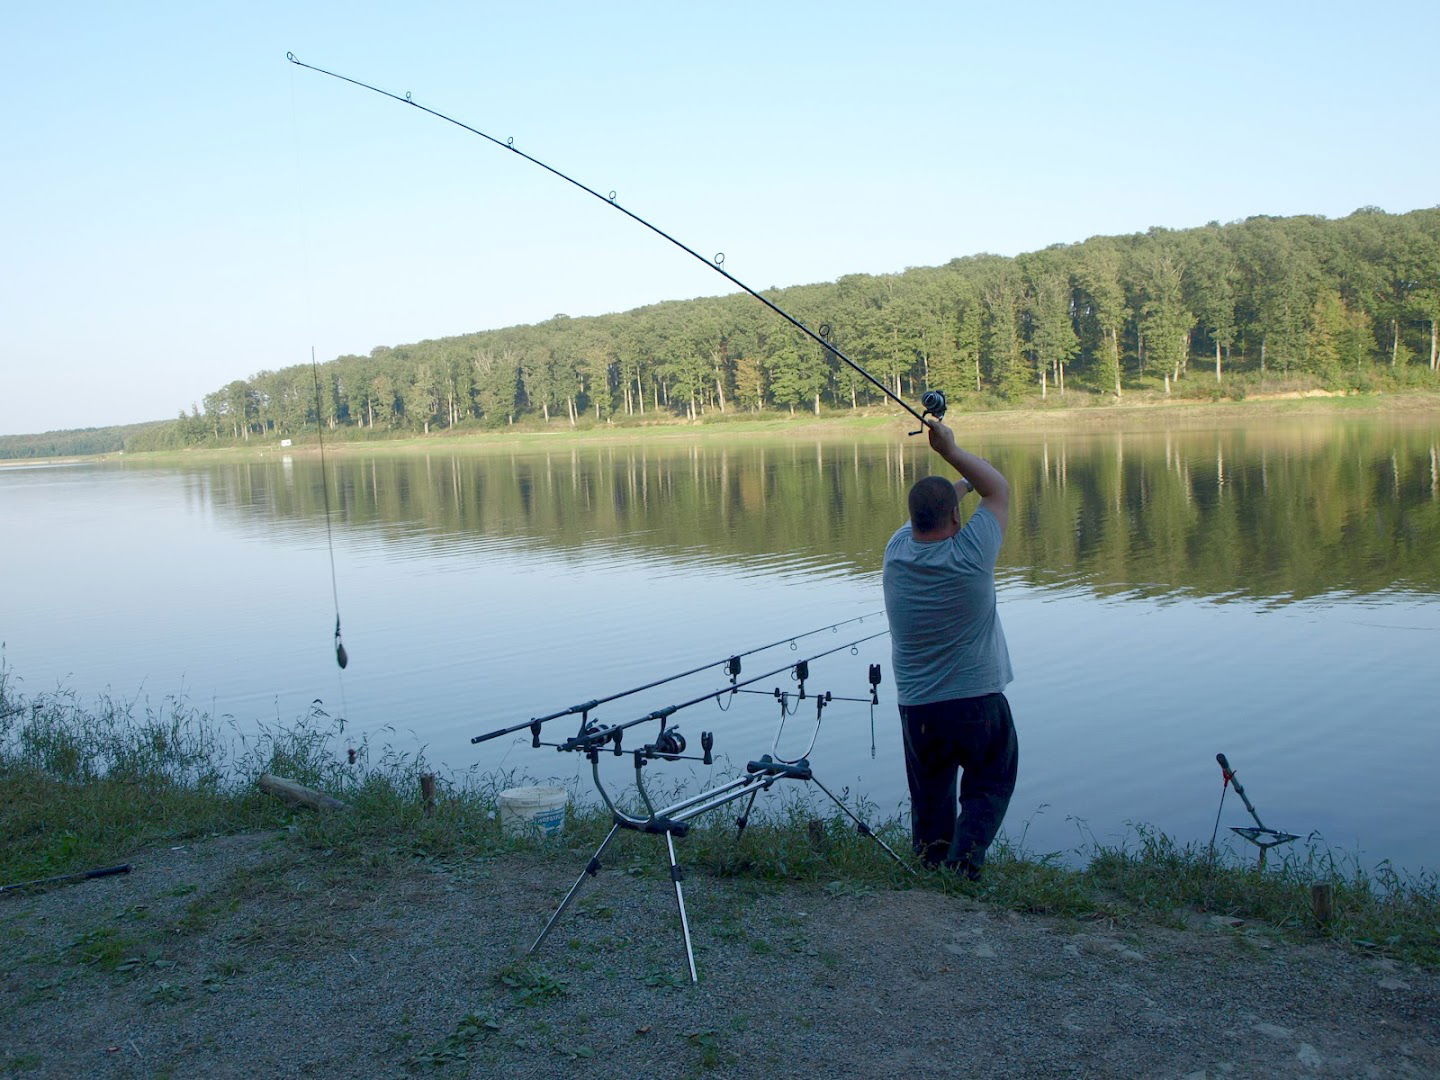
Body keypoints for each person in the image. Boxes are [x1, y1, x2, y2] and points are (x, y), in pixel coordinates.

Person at [882, 419, 1017, 878]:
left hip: (919, 709)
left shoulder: (896, 551)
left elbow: (931, 509)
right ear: (957, 520)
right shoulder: (972, 553)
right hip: (978, 701)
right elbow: (996, 489)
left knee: (930, 798)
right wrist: (953, 455)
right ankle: (965, 866)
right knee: (990, 783)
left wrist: (951, 483)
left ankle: (930, 871)